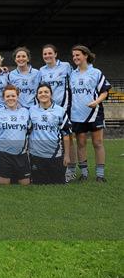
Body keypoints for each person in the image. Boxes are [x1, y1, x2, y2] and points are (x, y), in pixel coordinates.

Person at [69, 45, 111, 182]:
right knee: (80, 143)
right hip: (77, 114)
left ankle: (100, 175)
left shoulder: (96, 72)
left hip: (94, 113)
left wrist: (96, 102)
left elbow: (105, 91)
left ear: (85, 55)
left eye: (77, 55)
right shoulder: (72, 74)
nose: (75, 57)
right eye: (73, 55)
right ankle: (84, 174)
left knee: (97, 142)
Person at [38, 44, 77, 182]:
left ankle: (71, 170)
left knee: (68, 138)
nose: (47, 56)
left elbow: (75, 80)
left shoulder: (66, 66)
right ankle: (49, 166)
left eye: (50, 53)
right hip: (49, 109)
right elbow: (40, 90)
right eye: (45, 54)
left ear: (55, 54)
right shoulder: (41, 71)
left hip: (64, 107)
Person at [29, 83, 72, 184]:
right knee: (39, 184)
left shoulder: (60, 111)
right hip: (36, 155)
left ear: (51, 94)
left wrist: (67, 155)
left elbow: (66, 134)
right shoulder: (31, 110)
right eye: (40, 92)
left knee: (57, 183)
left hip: (55, 155)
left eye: (46, 92)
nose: (43, 94)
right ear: (37, 95)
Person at [0, 85, 31, 185]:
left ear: (17, 97)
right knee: (4, 184)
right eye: (8, 96)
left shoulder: (26, 112)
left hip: (21, 154)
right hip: (3, 154)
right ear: (3, 98)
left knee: (25, 184)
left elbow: (29, 130)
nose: (10, 98)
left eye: (13, 96)